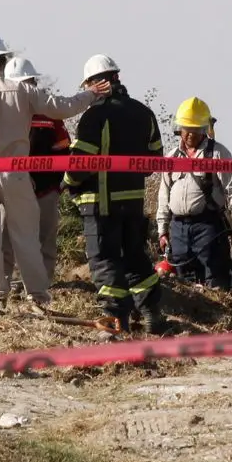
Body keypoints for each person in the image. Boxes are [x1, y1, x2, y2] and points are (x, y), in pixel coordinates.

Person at [0, 34, 109, 314]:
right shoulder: (22, 91)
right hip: (17, 173)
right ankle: (39, 296)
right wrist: (91, 95)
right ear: (3, 61)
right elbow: (62, 107)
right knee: (26, 236)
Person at [62, 54, 167, 336]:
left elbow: (80, 162)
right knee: (134, 256)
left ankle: (115, 318)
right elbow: (155, 159)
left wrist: (68, 181)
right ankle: (151, 313)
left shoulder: (95, 115)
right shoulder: (144, 112)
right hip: (133, 202)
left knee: (104, 260)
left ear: (96, 84)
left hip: (99, 204)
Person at [155, 97, 232, 289]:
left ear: (204, 128)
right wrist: (162, 230)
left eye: (196, 129)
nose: (191, 134)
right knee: (183, 282)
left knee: (214, 279)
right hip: (178, 229)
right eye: (187, 128)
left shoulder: (218, 154)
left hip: (209, 227)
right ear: (179, 128)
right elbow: (164, 195)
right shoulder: (171, 157)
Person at [0, 57, 71, 289]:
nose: (25, 88)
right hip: (12, 186)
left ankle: (42, 284)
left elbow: (63, 149)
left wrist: (57, 183)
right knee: (6, 239)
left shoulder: (49, 113)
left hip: (46, 188)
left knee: (45, 238)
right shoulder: (3, 113)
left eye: (28, 83)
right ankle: (3, 284)